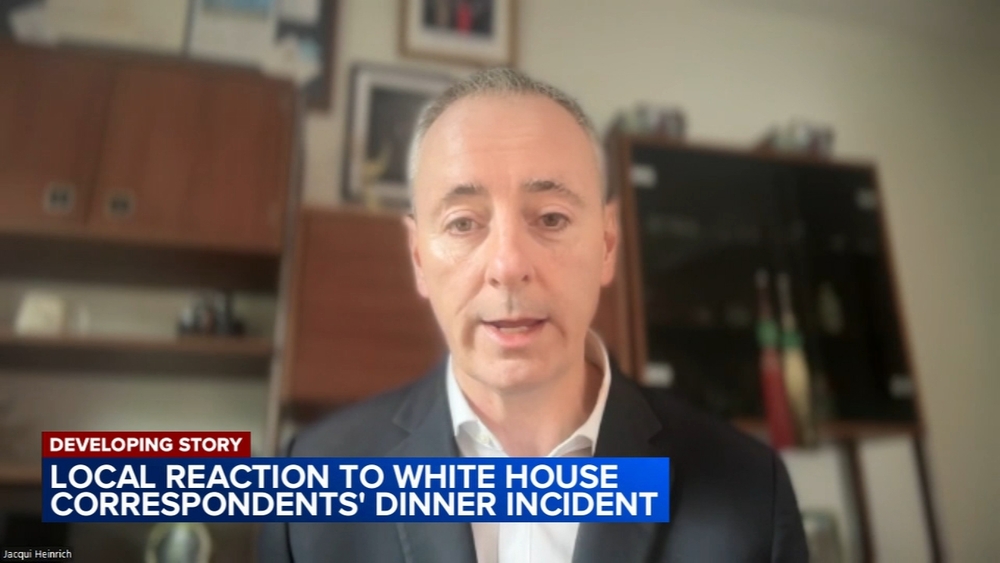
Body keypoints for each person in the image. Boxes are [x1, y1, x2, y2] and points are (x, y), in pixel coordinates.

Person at [259, 68, 808, 563]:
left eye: (550, 218)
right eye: (462, 223)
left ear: (607, 244)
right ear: (419, 259)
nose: (508, 266)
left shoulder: (751, 495)